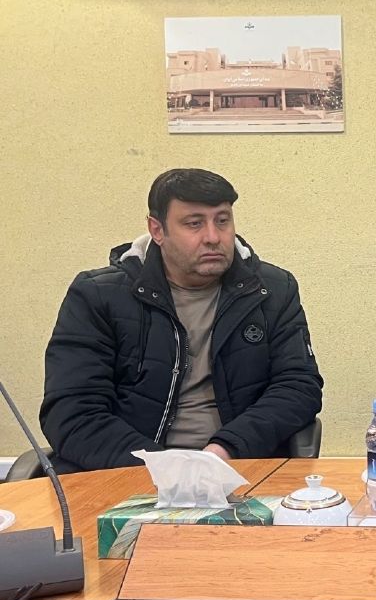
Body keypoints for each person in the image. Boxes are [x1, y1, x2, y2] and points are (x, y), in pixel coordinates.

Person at [40, 169, 323, 472]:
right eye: (194, 223)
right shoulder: (97, 296)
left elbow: (298, 387)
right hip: (130, 470)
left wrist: (226, 449)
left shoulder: (273, 289)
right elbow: (71, 412)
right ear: (157, 230)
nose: (213, 237)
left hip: (235, 466)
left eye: (222, 220)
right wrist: (165, 466)